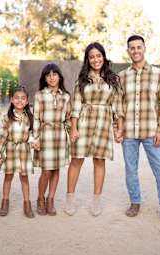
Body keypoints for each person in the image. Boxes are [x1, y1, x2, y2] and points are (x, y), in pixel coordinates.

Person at [119, 35, 160, 224]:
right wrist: (117, 127)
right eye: (132, 48)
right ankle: (135, 202)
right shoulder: (122, 76)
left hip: (151, 130)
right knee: (130, 169)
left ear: (144, 48)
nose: (135, 51)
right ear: (128, 51)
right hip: (129, 133)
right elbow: (118, 105)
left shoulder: (157, 73)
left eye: (138, 47)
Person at [64, 42, 124, 216]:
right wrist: (73, 128)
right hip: (83, 121)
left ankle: (96, 201)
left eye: (98, 56)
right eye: (92, 57)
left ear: (103, 57)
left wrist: (118, 128)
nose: (95, 59)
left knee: (99, 161)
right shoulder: (82, 79)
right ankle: (70, 199)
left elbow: (117, 105)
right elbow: (75, 104)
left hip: (104, 121)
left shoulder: (113, 79)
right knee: (76, 160)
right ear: (88, 60)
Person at [33, 63, 71, 216]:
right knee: (46, 171)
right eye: (48, 75)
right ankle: (40, 198)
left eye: (55, 74)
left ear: (59, 76)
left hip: (60, 135)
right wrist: (34, 138)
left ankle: (51, 199)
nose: (52, 77)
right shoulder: (40, 95)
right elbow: (35, 118)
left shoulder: (66, 96)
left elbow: (68, 118)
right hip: (45, 134)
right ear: (45, 78)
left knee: (56, 169)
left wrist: (72, 133)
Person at [0, 86, 34, 218]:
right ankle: (5, 202)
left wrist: (34, 141)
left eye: (23, 98)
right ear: (12, 100)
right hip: (11, 150)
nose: (20, 100)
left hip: (24, 150)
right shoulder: (7, 118)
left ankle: (27, 204)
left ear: (27, 101)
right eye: (17, 98)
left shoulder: (29, 117)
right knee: (8, 176)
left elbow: (31, 135)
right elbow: (2, 137)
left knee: (24, 178)